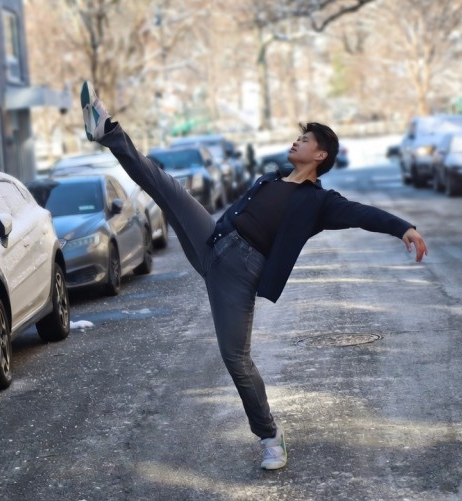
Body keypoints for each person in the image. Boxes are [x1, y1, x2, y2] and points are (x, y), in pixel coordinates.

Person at [80, 81, 428, 471]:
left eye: (304, 139)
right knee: (164, 186)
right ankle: (107, 129)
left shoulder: (320, 202)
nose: (296, 142)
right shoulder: (273, 177)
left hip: (240, 274)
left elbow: (364, 214)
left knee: (236, 359)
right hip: (214, 239)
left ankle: (270, 436)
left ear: (320, 154)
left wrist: (403, 228)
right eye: (298, 136)